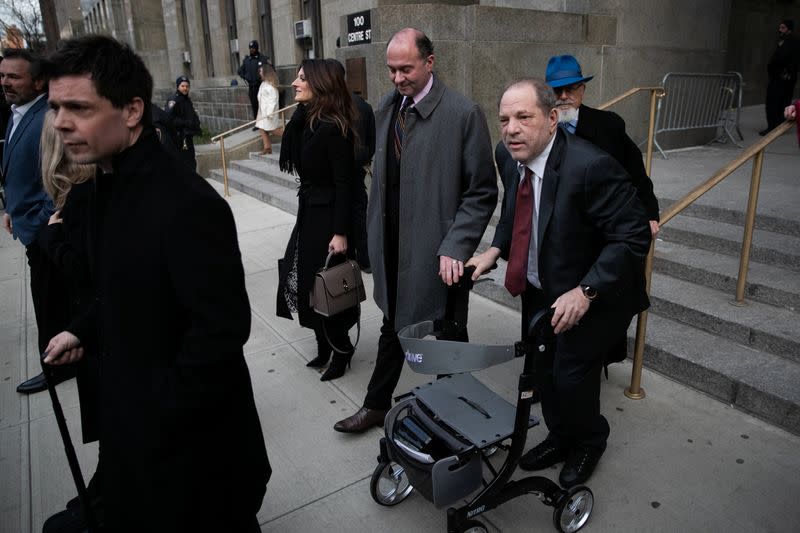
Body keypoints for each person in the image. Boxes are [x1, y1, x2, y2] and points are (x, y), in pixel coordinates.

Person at [42, 35, 270, 532]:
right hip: (140, 442)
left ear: (131, 110)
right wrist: (83, 328)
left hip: (195, 463)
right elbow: (124, 290)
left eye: (78, 107)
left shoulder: (186, 203)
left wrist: (155, 419)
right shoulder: (104, 184)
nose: (60, 122)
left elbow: (221, 332)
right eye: (57, 106)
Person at [467, 78, 651, 487]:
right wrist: (496, 249)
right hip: (541, 286)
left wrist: (586, 290)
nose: (511, 128)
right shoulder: (509, 154)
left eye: (523, 117)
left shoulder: (590, 166)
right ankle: (560, 436)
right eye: (504, 119)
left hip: (593, 291)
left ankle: (589, 441)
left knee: (571, 375)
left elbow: (634, 235)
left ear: (552, 119)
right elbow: (516, 206)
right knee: (543, 371)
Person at [333, 28, 497, 434]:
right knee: (393, 325)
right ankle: (375, 405)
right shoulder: (388, 108)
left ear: (430, 62)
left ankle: (453, 414)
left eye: (405, 68)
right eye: (391, 70)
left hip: (442, 254)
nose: (397, 77)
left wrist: (456, 246)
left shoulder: (464, 114)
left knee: (448, 335)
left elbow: (481, 192)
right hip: (394, 247)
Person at [37, 110, 103, 530]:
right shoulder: (85, 193)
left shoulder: (86, 196)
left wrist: (51, 238)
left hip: (104, 332)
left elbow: (87, 271)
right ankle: (103, 485)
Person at [276, 58, 360, 382]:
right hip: (309, 213)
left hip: (328, 219)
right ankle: (322, 346)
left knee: (328, 286)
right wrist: (298, 116)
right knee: (309, 282)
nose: (295, 84)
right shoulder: (307, 121)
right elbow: (293, 156)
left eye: (300, 79)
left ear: (319, 84)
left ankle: (340, 350)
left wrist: (340, 232)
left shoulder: (333, 128)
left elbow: (345, 184)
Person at [1, 48, 72, 395]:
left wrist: (42, 222)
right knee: (49, 299)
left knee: (50, 303)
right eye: (2, 75)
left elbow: (59, 177)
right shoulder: (16, 114)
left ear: (38, 81)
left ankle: (56, 368)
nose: (5, 82)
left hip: (45, 231)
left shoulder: (47, 117)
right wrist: (10, 211)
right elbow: (17, 171)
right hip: (28, 226)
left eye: (14, 76)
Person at [762, 20, 800, 135]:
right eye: (780, 27)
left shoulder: (793, 42)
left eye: (783, 28)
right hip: (780, 77)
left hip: (783, 78)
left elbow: (793, 60)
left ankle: (774, 127)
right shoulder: (783, 41)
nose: (780, 30)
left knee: (776, 102)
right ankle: (775, 126)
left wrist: (786, 72)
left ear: (789, 29)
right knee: (777, 102)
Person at [165, 75, 201, 171]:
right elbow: (169, 118)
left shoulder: (186, 99)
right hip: (179, 137)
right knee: (185, 163)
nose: (185, 88)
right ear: (178, 86)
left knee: (191, 161)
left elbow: (190, 114)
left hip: (187, 136)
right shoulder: (174, 100)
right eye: (183, 86)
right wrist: (185, 123)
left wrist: (196, 121)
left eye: (187, 86)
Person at [238, 40, 273, 124]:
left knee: (264, 104)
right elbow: (240, 71)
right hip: (252, 87)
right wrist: (246, 77)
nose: (251, 50)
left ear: (256, 48)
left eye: (253, 48)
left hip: (262, 86)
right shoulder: (247, 60)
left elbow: (271, 69)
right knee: (254, 105)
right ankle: (257, 123)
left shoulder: (263, 59)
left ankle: (266, 122)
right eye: (250, 48)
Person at [255, 65, 280, 154]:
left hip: (269, 112)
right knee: (261, 128)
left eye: (261, 71)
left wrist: (270, 113)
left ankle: (290, 136)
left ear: (266, 72)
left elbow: (272, 100)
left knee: (272, 129)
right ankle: (267, 148)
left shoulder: (271, 85)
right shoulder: (264, 83)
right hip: (262, 111)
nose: (260, 73)